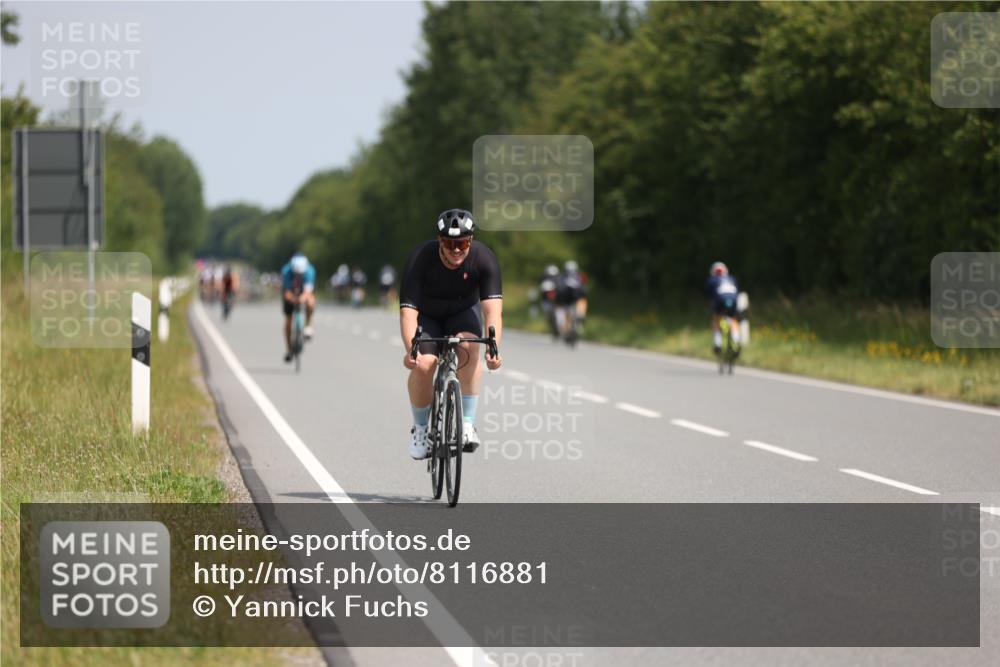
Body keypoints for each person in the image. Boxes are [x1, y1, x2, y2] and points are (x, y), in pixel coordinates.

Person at [399, 208, 503, 460]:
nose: (456, 249)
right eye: (449, 243)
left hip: (462, 312)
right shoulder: (421, 258)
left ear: (471, 240)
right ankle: (421, 429)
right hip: (428, 315)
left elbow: (493, 313)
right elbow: (408, 314)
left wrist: (494, 348)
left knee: (469, 347)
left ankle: (467, 422)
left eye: (462, 242)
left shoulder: (484, 259)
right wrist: (410, 351)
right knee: (424, 364)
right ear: (439, 241)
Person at [280, 252, 316, 363]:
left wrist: (301, 299)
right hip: (290, 293)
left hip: (303, 293)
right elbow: (286, 292)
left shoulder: (310, 271)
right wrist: (292, 299)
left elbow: (308, 291)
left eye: (301, 273)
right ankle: (289, 349)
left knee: (310, 302)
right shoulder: (286, 271)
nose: (298, 275)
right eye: (296, 273)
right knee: (288, 321)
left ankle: (308, 325)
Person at [704, 261, 741, 355]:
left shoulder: (712, 280)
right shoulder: (732, 278)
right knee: (733, 320)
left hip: (720, 299)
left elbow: (709, 295)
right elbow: (737, 290)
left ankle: (718, 344)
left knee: (716, 319)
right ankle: (736, 342)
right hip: (733, 299)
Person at [553, 260, 588, 340]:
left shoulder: (561, 276)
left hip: (565, 298)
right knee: (581, 301)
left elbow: (557, 288)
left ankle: (573, 323)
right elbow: (583, 288)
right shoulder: (579, 275)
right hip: (574, 296)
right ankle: (580, 316)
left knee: (567, 312)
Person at [538, 264, 560, 339]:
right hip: (546, 302)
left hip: (556, 302)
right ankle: (553, 329)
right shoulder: (543, 280)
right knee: (548, 316)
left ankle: (559, 329)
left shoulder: (559, 282)